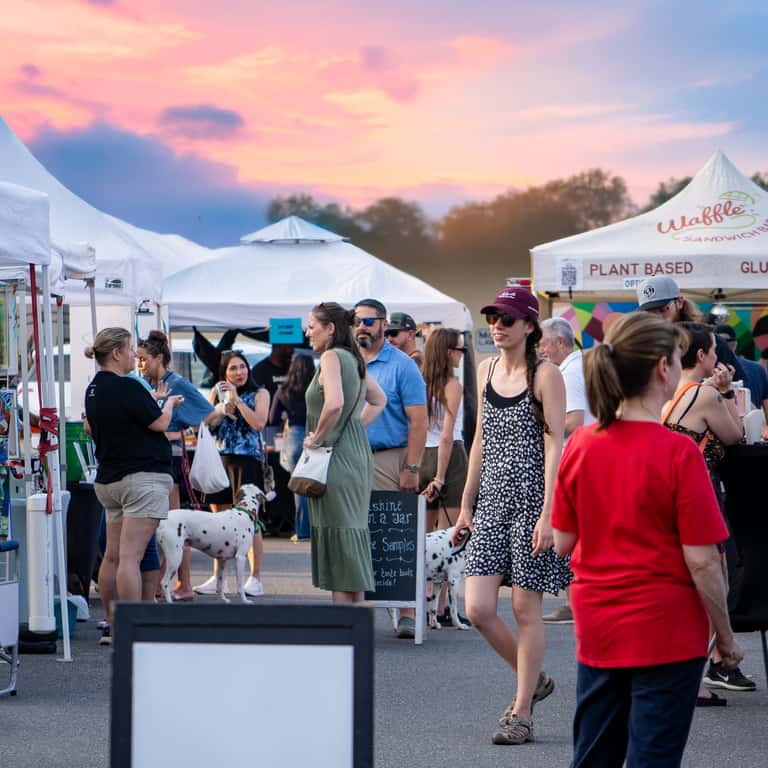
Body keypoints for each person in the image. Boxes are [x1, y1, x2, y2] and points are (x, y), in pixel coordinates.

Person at [551, 311, 743, 767]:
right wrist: (726, 636)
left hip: (599, 625)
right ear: (663, 368)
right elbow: (703, 561)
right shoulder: (679, 453)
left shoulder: (580, 444)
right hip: (667, 632)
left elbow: (562, 540)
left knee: (594, 755)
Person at [452, 286, 570, 746]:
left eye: (506, 318)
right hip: (492, 503)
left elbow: (555, 442)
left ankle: (521, 713)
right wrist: (466, 504)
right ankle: (534, 679)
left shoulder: (547, 375)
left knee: (525, 608)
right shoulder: (484, 369)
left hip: (531, 503)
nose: (497, 326)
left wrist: (549, 511)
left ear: (529, 325)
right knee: (478, 608)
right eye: (493, 318)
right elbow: (480, 437)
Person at [662, 322, 752, 702]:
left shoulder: (671, 392)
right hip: (700, 491)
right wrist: (728, 391)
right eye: (714, 350)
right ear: (701, 356)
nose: (718, 358)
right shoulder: (703, 393)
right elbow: (735, 436)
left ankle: (697, 667)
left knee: (691, 585)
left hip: (670, 494)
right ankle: (700, 670)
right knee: (713, 580)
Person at [84, 328, 183, 645]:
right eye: (129, 350)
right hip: (140, 478)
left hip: (109, 480)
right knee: (130, 558)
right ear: (115, 353)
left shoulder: (94, 389)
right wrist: (167, 406)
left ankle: (113, 623)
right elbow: (159, 423)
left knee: (112, 557)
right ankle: (130, 627)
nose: (133, 357)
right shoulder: (127, 386)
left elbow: (93, 426)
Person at [354, 298, 427, 638]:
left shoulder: (402, 365)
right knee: (354, 532)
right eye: (356, 321)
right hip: (351, 456)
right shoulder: (347, 362)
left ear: (384, 324)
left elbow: (418, 421)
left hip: (389, 455)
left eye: (368, 321)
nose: (361, 327)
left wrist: (412, 466)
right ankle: (355, 607)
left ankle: (408, 610)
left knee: (392, 533)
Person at [304, 302, 387, 602]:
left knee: (341, 544)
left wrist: (318, 437)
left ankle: (345, 637)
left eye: (312, 326)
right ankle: (356, 634)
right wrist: (353, 428)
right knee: (350, 539)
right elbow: (379, 400)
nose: (307, 331)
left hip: (335, 458)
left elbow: (335, 403)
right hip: (355, 454)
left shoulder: (331, 356)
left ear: (330, 329)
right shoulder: (354, 358)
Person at [137, 330, 215, 601]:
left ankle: (182, 584)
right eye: (138, 359)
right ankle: (169, 583)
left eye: (144, 359)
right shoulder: (147, 383)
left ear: (159, 358)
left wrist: (173, 431)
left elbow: (208, 413)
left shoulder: (176, 383)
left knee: (171, 522)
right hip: (152, 459)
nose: (140, 365)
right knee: (164, 523)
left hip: (169, 459)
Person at [194, 351, 270, 598]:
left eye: (242, 367)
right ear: (224, 373)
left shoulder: (260, 393)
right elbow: (203, 423)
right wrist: (219, 408)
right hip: (220, 460)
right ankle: (219, 578)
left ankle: (255, 577)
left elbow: (259, 423)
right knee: (219, 521)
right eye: (233, 369)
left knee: (251, 522)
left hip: (247, 461)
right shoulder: (217, 391)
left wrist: (237, 401)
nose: (239, 372)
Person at [538, 317, 594, 625]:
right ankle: (575, 599)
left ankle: (574, 601)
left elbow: (573, 419)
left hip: (576, 457)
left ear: (561, 342)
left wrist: (540, 429)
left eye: (545, 343)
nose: (542, 350)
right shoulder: (578, 366)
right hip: (586, 456)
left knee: (571, 529)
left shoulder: (569, 372)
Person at [419, 328, 469, 624]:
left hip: (420, 455)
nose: (462, 355)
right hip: (447, 460)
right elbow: (448, 436)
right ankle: (442, 609)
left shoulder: (419, 381)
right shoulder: (453, 385)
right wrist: (439, 477)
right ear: (448, 352)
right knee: (452, 537)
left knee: (424, 541)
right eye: (459, 349)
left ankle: (421, 605)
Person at [636, 276, 746, 382]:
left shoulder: (711, 342)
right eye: (649, 313)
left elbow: (740, 389)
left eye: (663, 309)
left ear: (679, 302)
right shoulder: (644, 348)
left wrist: (721, 388)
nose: (657, 318)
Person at [269, 354, 315, 542]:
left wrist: (285, 419)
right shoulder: (316, 389)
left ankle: (303, 531)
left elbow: (272, 418)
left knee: (300, 487)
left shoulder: (283, 391)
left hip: (295, 436)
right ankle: (320, 529)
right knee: (319, 481)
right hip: (316, 433)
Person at [715, 324, 768, 423]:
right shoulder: (758, 369)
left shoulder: (713, 371)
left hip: (728, 430)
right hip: (755, 430)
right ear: (735, 344)